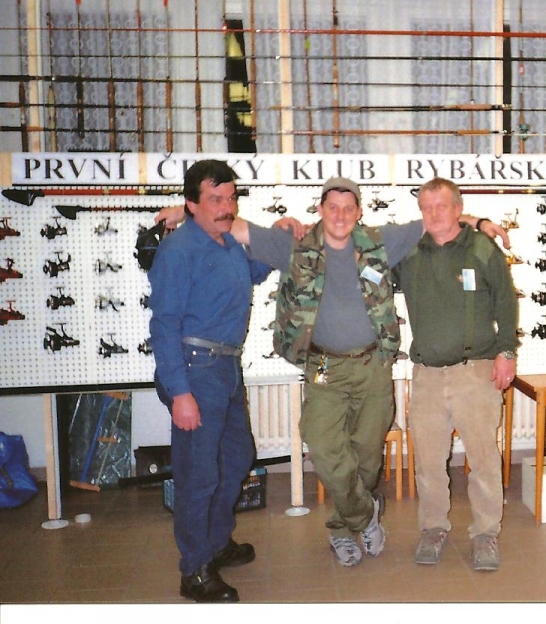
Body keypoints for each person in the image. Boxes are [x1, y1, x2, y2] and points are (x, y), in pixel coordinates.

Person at [157, 177, 508, 569]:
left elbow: (438, 219)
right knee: (323, 447)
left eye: (348, 208)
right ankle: (365, 513)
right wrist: (185, 212)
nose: (340, 215)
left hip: (373, 366)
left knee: (367, 457)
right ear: (320, 209)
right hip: (323, 366)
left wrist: (480, 223)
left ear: (359, 212)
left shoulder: (379, 241)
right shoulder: (294, 244)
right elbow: (229, 224)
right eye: (333, 207)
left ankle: (342, 529)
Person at [148, 160, 272, 603]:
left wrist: (274, 233)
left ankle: (217, 543)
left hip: (226, 369)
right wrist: (180, 392)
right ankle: (194, 570)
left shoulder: (229, 244)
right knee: (198, 474)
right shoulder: (178, 250)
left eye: (231, 198)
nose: (226, 207)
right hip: (195, 369)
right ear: (191, 204)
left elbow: (259, 269)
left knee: (237, 458)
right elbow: (164, 325)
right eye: (215, 199)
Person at [396, 177, 518, 572]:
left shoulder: (482, 248)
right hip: (427, 376)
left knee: (483, 460)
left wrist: (507, 352)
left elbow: (506, 301)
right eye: (426, 207)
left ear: (458, 208)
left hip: (476, 371)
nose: (433, 214)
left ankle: (485, 534)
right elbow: (365, 256)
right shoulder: (408, 252)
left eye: (442, 206)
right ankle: (433, 528)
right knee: (428, 462)